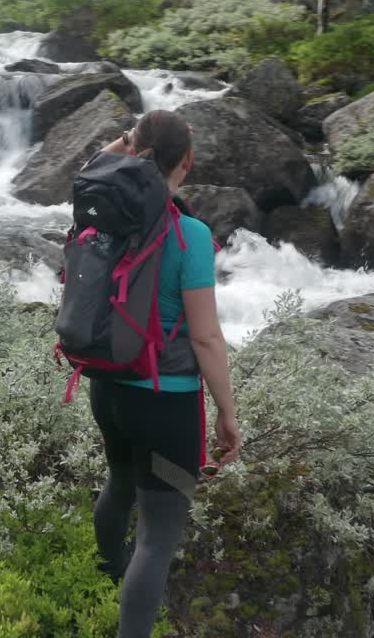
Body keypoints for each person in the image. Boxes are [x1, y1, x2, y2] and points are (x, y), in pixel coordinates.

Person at [89, 110, 242, 638]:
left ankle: (106, 577)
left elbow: (92, 167)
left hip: (108, 387)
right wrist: (227, 413)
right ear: (189, 162)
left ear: (134, 152)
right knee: (157, 538)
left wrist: (130, 139)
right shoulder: (190, 234)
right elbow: (206, 338)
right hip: (165, 405)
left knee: (120, 481)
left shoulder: (103, 210)